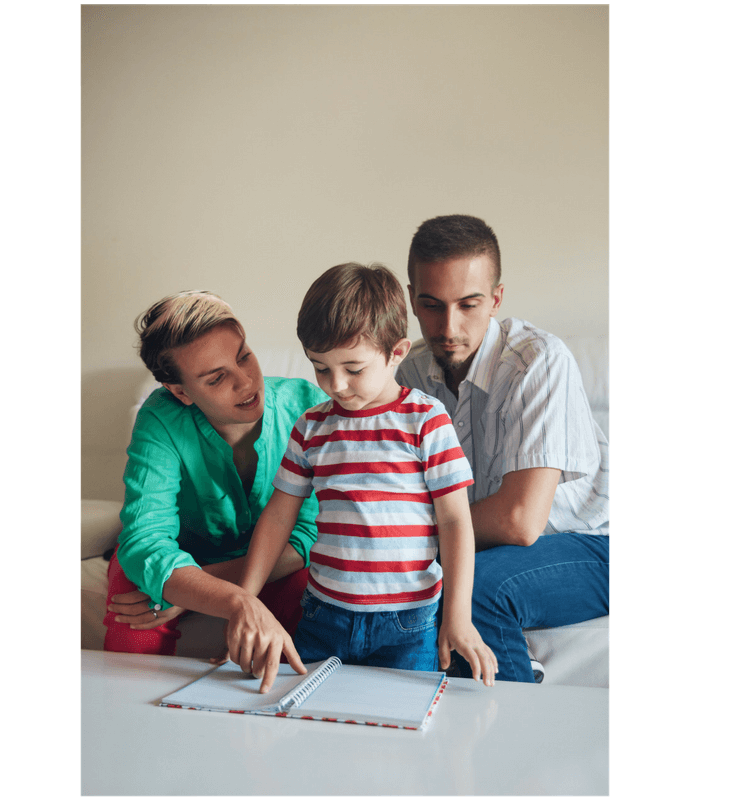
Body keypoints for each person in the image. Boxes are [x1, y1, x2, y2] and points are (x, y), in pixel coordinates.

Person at [237, 263, 498, 686]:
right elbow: (278, 516)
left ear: (396, 352)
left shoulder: (426, 420)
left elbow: (454, 521)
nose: (335, 384)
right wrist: (243, 599)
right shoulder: (310, 427)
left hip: (407, 624)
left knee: (399, 735)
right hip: (324, 616)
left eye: (353, 368)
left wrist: (458, 617)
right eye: (321, 367)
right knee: (306, 722)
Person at [395, 214, 610, 683]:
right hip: (484, 543)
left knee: (475, 588)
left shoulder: (537, 362)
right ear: (412, 299)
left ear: (496, 300)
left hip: (594, 542)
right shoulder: (407, 375)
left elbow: (519, 521)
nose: (448, 326)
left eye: (468, 304)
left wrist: (401, 535)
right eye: (431, 305)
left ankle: (511, 735)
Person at [103, 290, 328, 691]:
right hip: (178, 556)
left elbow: (308, 536)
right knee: (132, 611)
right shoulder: (160, 419)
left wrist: (195, 590)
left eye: (243, 356)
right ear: (182, 392)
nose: (245, 381)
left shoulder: (309, 407)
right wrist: (231, 598)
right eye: (217, 377)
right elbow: (144, 539)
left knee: (310, 595)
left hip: (266, 562)